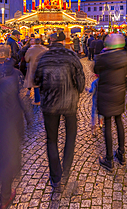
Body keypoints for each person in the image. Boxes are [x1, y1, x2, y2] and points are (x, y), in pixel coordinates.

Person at [34, 32, 85, 188]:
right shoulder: (72, 57)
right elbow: (81, 82)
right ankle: (66, 171)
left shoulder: (44, 58)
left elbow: (37, 80)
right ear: (64, 41)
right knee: (70, 137)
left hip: (50, 104)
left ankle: (55, 177)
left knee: (51, 139)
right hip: (69, 103)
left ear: (51, 42)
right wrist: (76, 90)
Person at [0, 45, 28, 209]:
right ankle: (5, 197)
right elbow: (16, 108)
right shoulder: (12, 77)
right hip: (6, 127)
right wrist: (21, 129)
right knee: (8, 161)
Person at [94, 33, 127, 172]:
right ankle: (121, 153)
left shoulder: (103, 58)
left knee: (107, 124)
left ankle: (109, 159)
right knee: (119, 121)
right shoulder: (124, 57)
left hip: (106, 93)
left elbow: (96, 70)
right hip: (119, 92)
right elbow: (126, 71)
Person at [24, 38, 48, 105]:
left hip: (33, 68)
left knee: (35, 84)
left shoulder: (30, 50)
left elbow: (27, 59)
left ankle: (37, 100)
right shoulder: (45, 49)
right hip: (43, 68)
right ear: (40, 42)